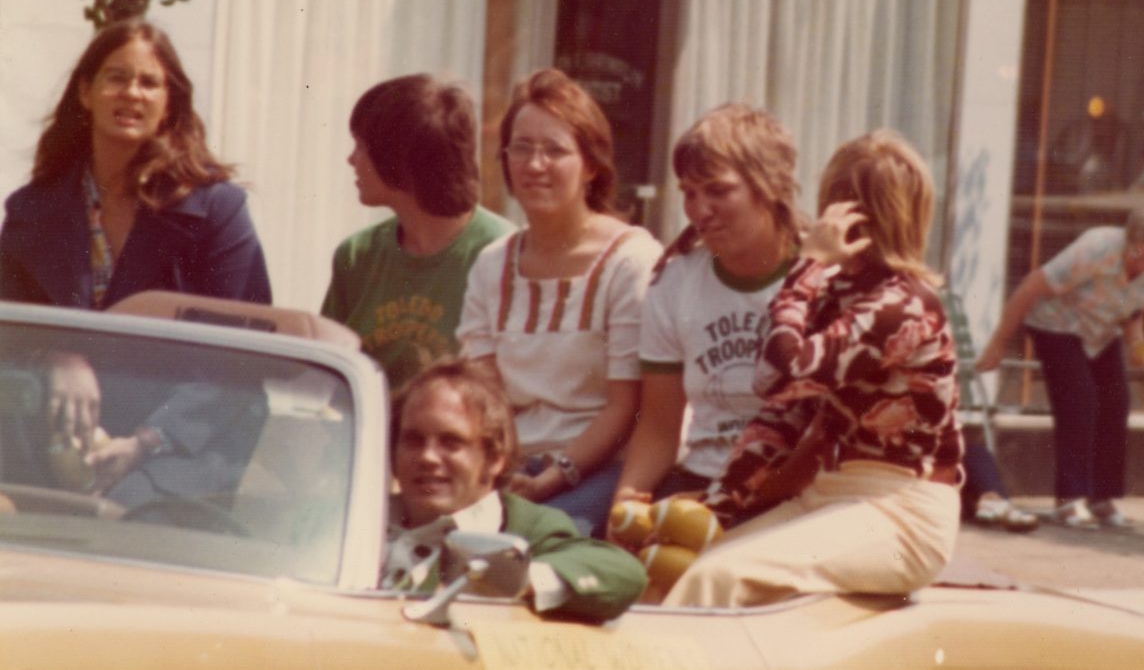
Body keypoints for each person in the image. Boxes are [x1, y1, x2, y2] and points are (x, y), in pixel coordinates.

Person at [664, 130, 961, 608]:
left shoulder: (903, 307)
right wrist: (718, 504)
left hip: (902, 510)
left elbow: (784, 372)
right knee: (698, 560)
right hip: (834, 492)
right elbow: (781, 406)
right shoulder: (835, 295)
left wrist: (808, 266)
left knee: (719, 577)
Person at [0, 17, 271, 497]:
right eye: (116, 77)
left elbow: (242, 358)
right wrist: (55, 354)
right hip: (47, 445)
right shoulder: (30, 211)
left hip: (182, 447)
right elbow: (7, 331)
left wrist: (148, 441)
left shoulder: (218, 212)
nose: (133, 93)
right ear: (85, 92)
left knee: (124, 523)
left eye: (149, 82)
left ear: (169, 104)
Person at [456, 69, 661, 537]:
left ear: (591, 165)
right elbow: (486, 399)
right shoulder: (491, 265)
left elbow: (626, 407)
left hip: (597, 470)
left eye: (555, 150)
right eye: (522, 148)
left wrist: (555, 475)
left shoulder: (631, 260)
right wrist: (501, 472)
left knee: (531, 549)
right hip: (507, 469)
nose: (535, 165)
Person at [609, 105, 804, 524]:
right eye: (689, 193)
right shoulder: (674, 282)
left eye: (717, 191)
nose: (699, 210)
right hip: (701, 482)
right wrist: (626, 504)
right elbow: (660, 427)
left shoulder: (822, 277)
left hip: (795, 490)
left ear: (769, 186)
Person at [384, 358, 646, 622]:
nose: (428, 457)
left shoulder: (522, 525)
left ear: (494, 458)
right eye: (413, 441)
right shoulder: (356, 515)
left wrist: (514, 579)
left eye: (451, 442)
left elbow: (622, 572)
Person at [974, 201, 1144, 529]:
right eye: (1139, 256)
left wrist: (1137, 346)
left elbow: (1132, 312)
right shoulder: (1097, 248)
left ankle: (1101, 497)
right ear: (1129, 240)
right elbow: (1030, 286)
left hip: (1100, 331)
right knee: (1080, 399)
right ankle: (1069, 499)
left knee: (1116, 402)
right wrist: (999, 342)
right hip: (1054, 324)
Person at [321, 75, 513, 389]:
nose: (351, 160)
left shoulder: (501, 252)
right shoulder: (356, 256)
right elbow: (330, 379)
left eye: (361, 147)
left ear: (399, 159)